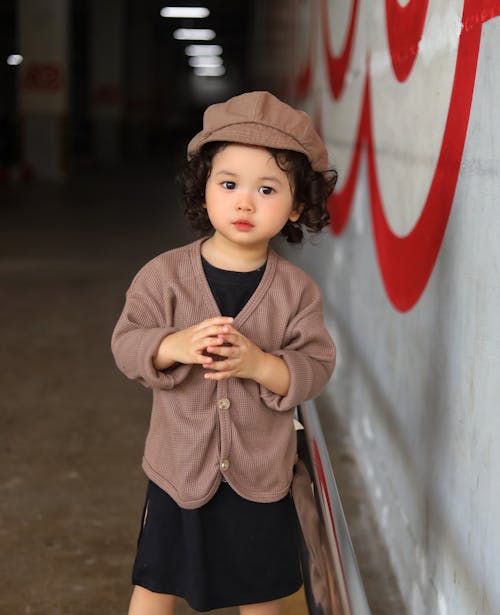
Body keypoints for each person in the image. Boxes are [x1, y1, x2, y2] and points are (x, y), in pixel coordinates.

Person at [111, 90, 337, 615]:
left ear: (297, 206)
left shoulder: (296, 292)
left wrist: (262, 365)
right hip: (178, 469)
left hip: (260, 475)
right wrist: (174, 344)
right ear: (203, 190)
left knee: (263, 593)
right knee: (155, 586)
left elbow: (315, 367)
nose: (244, 202)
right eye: (229, 184)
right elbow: (127, 343)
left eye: (267, 188)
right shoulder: (164, 276)